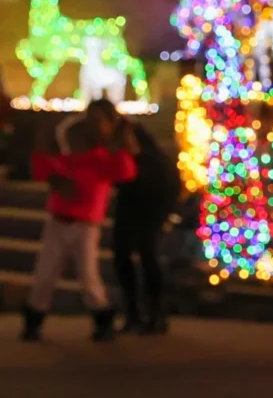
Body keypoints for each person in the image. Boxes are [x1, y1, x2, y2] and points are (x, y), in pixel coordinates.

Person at [22, 100, 137, 342]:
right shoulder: (70, 159)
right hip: (58, 223)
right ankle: (33, 321)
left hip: (85, 226)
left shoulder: (103, 159)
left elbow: (126, 172)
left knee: (88, 276)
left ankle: (102, 318)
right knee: (45, 275)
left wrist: (119, 146)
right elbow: (43, 169)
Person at [113, 123, 181, 334]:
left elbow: (166, 188)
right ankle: (133, 313)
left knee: (148, 259)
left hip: (149, 216)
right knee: (123, 260)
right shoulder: (126, 159)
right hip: (128, 214)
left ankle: (155, 313)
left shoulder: (155, 162)